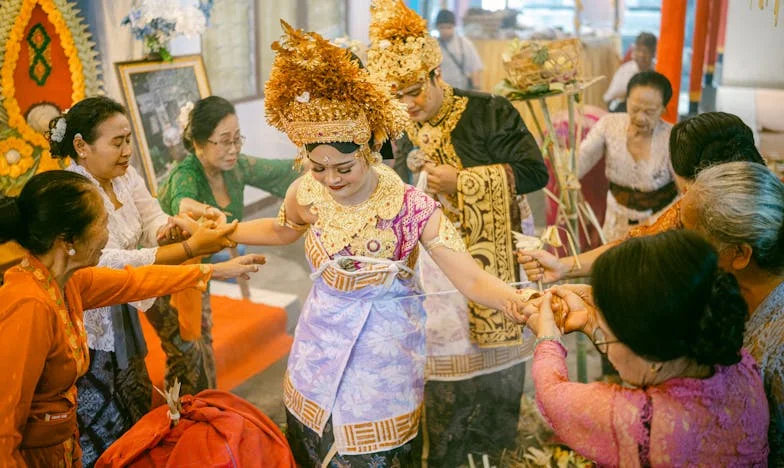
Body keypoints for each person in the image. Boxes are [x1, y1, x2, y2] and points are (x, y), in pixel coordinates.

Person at [225, 21, 530, 466]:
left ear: (369, 151)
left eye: (344, 168)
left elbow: (471, 279)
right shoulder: (306, 192)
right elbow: (282, 230)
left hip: (383, 366)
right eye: (318, 167)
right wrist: (226, 231)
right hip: (315, 355)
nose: (331, 180)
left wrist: (517, 303)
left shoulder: (412, 207)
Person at [367, 1, 548, 464]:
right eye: (396, 96)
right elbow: (388, 180)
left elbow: (535, 173)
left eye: (414, 92)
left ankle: (497, 450)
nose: (407, 105)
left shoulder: (489, 110)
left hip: (495, 252)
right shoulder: (399, 122)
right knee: (444, 370)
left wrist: (461, 180)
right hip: (434, 264)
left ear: (436, 74)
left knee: (497, 372)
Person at [0, 170, 264, 466]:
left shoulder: (65, 281)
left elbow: (134, 281)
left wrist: (214, 271)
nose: (107, 236)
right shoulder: (28, 305)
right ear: (68, 240)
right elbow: (4, 430)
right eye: (102, 224)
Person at [48, 96, 239, 465]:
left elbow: (152, 220)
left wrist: (171, 229)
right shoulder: (72, 193)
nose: (127, 151)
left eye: (129, 140)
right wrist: (187, 250)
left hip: (124, 301)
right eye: (117, 142)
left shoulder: (124, 177)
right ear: (81, 146)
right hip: (89, 313)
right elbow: (106, 262)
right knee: (98, 410)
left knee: (133, 394)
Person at [522, 230, 769, 466]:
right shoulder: (738, 366)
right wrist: (594, 319)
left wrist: (548, 339)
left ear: (651, 356)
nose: (605, 347)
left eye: (608, 339)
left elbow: (553, 397)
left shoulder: (645, 422)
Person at [520, 111, 766, 283]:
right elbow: (639, 244)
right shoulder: (692, 208)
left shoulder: (756, 223)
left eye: (687, 189)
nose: (684, 196)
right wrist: (564, 266)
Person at [680, 161, 784, 465]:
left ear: (739, 254)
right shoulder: (728, 286)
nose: (681, 248)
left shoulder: (778, 342)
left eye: (691, 238)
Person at [158, 96, 299, 224]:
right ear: (198, 143)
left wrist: (308, 162)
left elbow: (282, 171)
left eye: (237, 139)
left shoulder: (237, 166)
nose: (233, 150)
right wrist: (208, 212)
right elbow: (182, 204)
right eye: (225, 141)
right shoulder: (185, 173)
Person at [578, 71, 676, 241]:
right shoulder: (609, 124)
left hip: (659, 225)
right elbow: (581, 160)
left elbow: (685, 188)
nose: (640, 117)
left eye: (650, 111)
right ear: (627, 100)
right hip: (616, 222)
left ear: (663, 108)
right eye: (635, 108)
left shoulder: (672, 137)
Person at [604, 32, 656, 112]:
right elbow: (609, 98)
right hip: (620, 105)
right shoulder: (627, 70)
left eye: (645, 51)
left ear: (653, 54)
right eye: (638, 50)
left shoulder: (656, 69)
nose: (641, 55)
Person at [434, 9, 483, 91]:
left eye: (448, 27)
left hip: (460, 91)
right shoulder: (433, 46)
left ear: (454, 27)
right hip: (439, 91)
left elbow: (475, 68)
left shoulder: (465, 44)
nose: (445, 31)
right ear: (437, 27)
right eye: (442, 28)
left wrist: (476, 89)